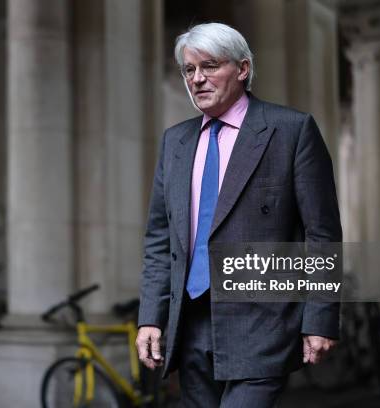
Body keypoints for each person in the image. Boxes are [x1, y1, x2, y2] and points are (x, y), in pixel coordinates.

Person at [136, 22, 342, 407]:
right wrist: (151, 316)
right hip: (190, 326)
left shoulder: (291, 131)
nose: (197, 79)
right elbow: (159, 240)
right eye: (189, 70)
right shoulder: (175, 142)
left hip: (263, 324)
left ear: (243, 69)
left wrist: (320, 319)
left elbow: (322, 235)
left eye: (210, 66)